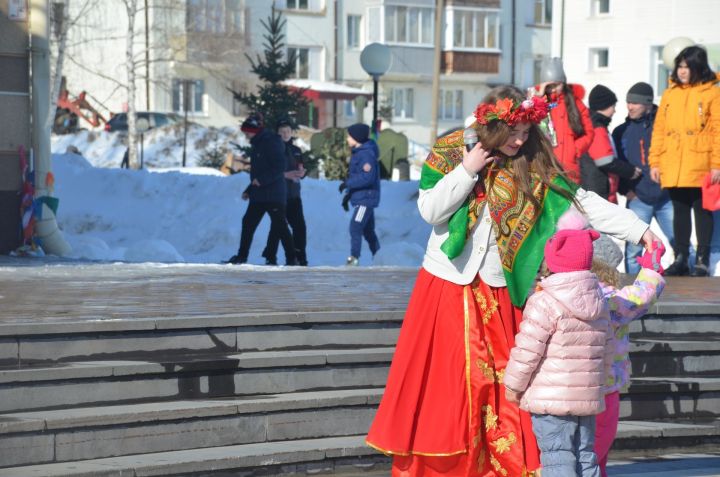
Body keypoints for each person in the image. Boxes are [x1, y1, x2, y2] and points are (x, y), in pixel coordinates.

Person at [365, 85, 661, 477]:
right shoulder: (452, 150)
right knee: (451, 384)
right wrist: (468, 169)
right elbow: (431, 211)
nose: (520, 140)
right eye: (513, 132)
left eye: (526, 132)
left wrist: (638, 230)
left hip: (502, 286)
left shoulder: (534, 161)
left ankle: (504, 465)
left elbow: (581, 201)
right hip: (448, 284)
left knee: (506, 382)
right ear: (492, 124)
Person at [504, 227, 612, 477]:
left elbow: (527, 350)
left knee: (556, 457)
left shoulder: (544, 301)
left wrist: (513, 385)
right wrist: (599, 386)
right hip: (587, 397)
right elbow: (605, 350)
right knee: (586, 456)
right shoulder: (599, 301)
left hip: (550, 399)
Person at [649, 45, 720, 277]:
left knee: (703, 211)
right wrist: (655, 162)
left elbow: (718, 130)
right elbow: (659, 129)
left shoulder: (712, 92)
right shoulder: (670, 93)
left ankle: (701, 259)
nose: (682, 71)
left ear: (698, 67)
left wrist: (717, 164)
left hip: (701, 160)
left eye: (687, 66)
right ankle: (681, 257)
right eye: (679, 66)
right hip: (673, 161)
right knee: (679, 210)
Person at [613, 82, 674, 274]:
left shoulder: (664, 127)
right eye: (628, 102)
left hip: (667, 197)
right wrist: (625, 191)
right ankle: (633, 294)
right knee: (633, 250)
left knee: (680, 243)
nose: (630, 106)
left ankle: (689, 288)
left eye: (635, 103)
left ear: (648, 104)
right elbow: (617, 164)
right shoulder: (620, 131)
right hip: (637, 197)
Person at [227, 112, 296, 265]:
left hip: (274, 195)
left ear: (254, 130)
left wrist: (262, 181)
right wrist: (249, 189)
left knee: (280, 226)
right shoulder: (258, 143)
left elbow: (280, 166)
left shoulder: (272, 141)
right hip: (259, 194)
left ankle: (292, 259)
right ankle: (241, 256)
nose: (245, 135)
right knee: (248, 223)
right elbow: (259, 171)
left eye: (247, 132)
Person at [534, 57, 595, 184]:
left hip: (569, 168)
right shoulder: (537, 103)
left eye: (557, 85)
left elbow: (588, 131)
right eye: (549, 86)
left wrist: (575, 149)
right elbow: (528, 123)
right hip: (545, 166)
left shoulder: (576, 103)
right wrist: (538, 98)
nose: (553, 89)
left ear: (564, 83)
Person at [582, 84, 641, 203]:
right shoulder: (597, 128)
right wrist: (631, 171)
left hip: (597, 189)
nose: (615, 110)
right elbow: (605, 160)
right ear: (605, 106)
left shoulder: (592, 124)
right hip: (599, 190)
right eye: (613, 106)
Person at [262, 119, 308, 266]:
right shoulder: (272, 150)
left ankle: (301, 257)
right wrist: (285, 175)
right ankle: (271, 256)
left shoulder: (296, 150)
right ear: (277, 134)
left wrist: (302, 173)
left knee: (299, 227)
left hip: (294, 195)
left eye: (288, 131)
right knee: (278, 227)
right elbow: (268, 172)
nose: (285, 134)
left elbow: (301, 167)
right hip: (278, 196)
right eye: (282, 132)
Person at [340, 123, 381, 266]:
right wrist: (348, 195)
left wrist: (348, 183)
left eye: (349, 136)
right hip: (363, 197)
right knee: (368, 231)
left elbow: (367, 177)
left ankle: (354, 257)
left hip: (365, 200)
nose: (347, 138)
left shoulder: (365, 154)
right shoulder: (360, 152)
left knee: (355, 226)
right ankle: (379, 256)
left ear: (357, 137)